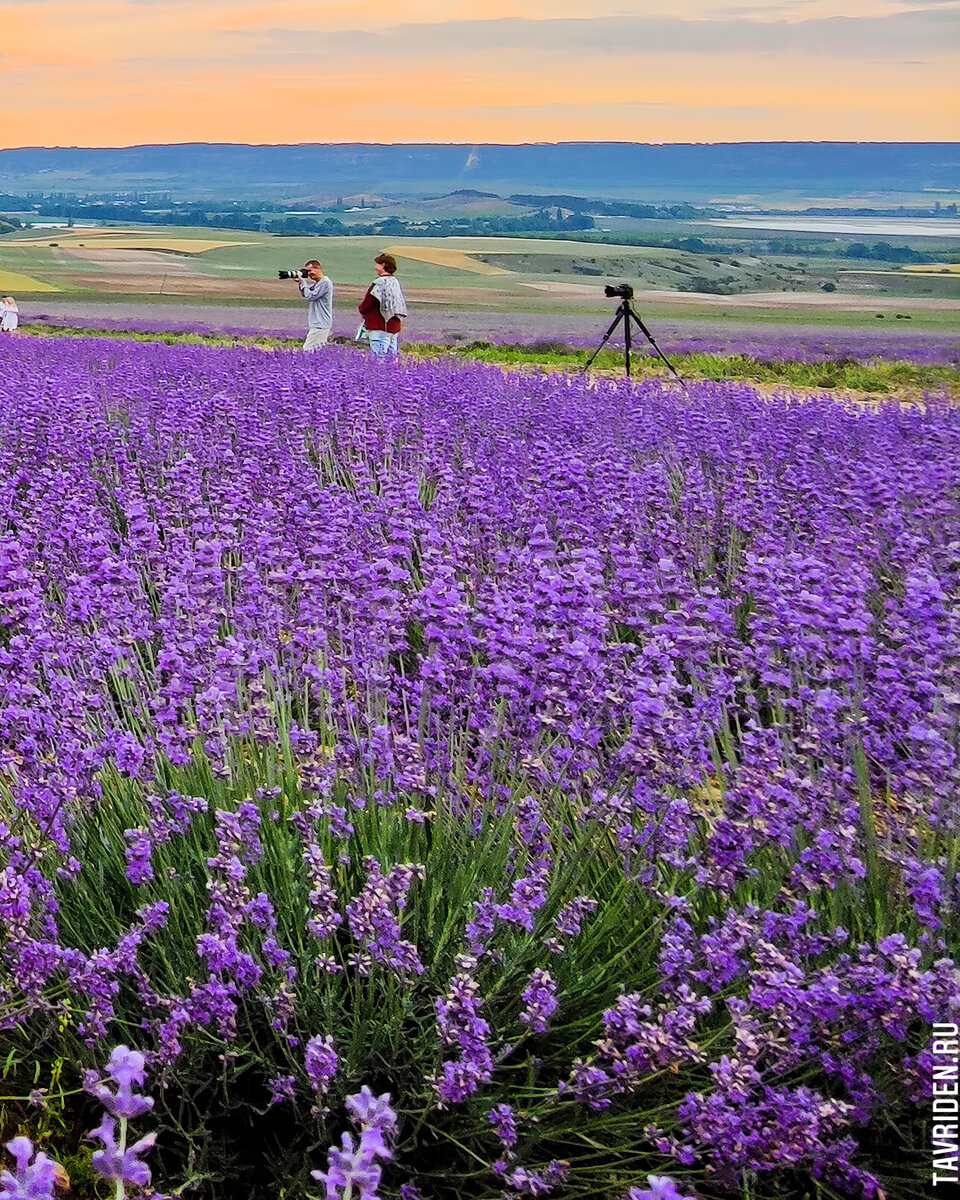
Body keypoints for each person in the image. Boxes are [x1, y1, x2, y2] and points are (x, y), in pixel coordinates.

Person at [358, 253, 407, 357]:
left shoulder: (379, 283)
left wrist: (362, 310)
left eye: (377, 264)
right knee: (391, 358)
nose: (375, 267)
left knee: (378, 358)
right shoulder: (395, 282)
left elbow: (368, 303)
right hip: (394, 326)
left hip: (380, 325)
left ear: (383, 265)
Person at [293, 261, 333, 351]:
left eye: (310, 271)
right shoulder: (318, 283)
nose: (309, 274)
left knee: (308, 350)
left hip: (320, 324)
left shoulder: (325, 283)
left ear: (318, 268)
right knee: (316, 351)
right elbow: (306, 293)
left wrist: (303, 281)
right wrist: (300, 282)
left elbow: (310, 296)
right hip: (318, 323)